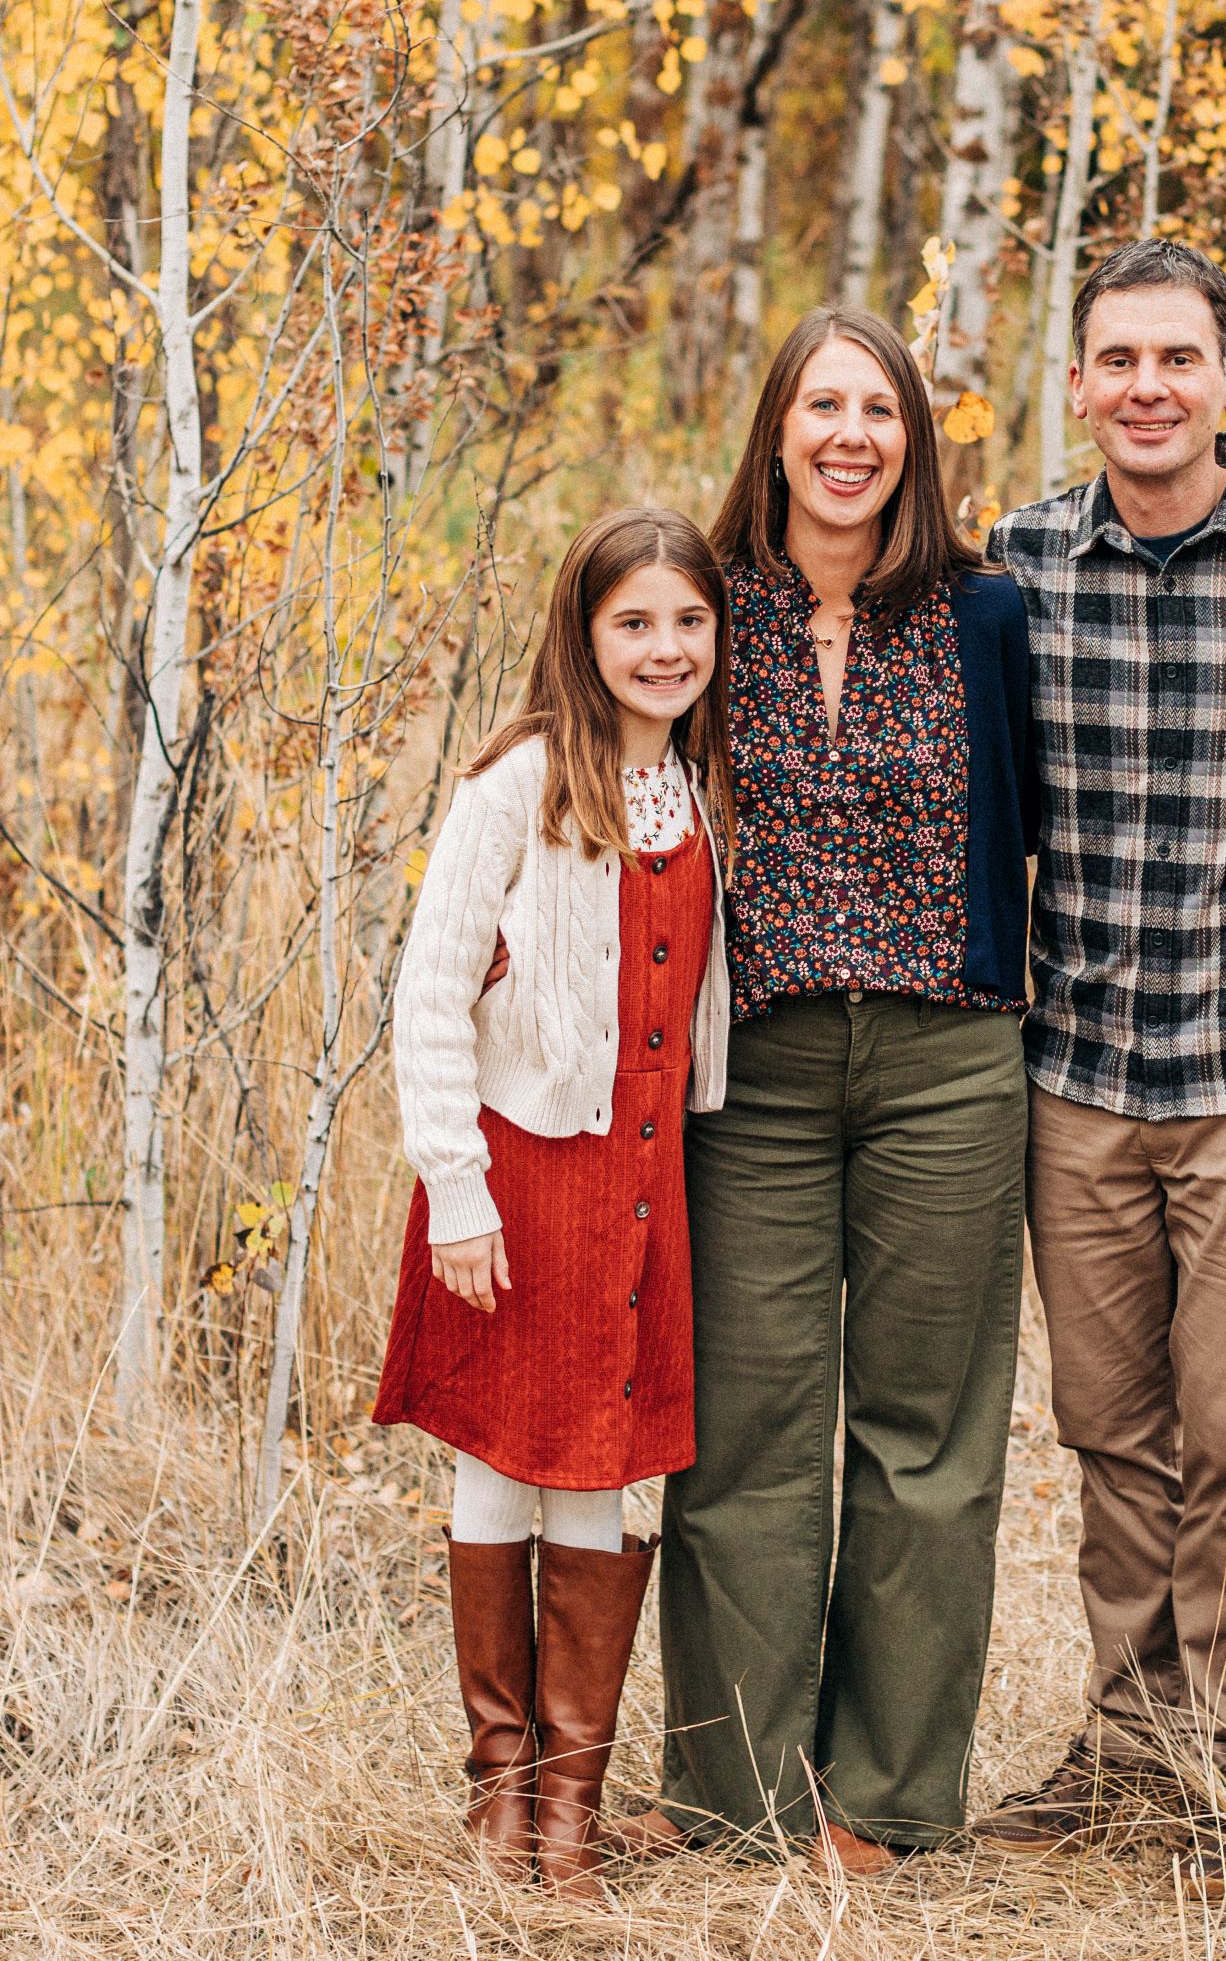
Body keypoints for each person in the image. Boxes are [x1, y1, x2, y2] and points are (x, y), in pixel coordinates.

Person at [607, 306, 1042, 1876]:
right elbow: (605, 768)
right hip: (757, 1067)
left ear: (913, 436)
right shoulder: (709, 607)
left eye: (880, 408)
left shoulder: (985, 611)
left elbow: (1039, 817)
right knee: (744, 1429)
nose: (851, 435)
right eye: (822, 405)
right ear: (777, 430)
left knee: (929, 1435)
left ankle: (889, 1800)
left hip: (948, 1059)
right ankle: (734, 1792)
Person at [976, 239, 1226, 1896]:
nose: (1149, 387)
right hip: (1076, 1071)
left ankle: (1223, 1767)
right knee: (1110, 1430)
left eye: (1178, 357)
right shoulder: (1017, 564)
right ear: (1079, 384)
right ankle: (1124, 1748)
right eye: (1119, 360)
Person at [371, 507, 737, 1897]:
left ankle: (572, 1808)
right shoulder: (517, 782)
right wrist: (455, 1189)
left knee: (602, 1466)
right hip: (521, 1172)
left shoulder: (698, 790)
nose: (664, 647)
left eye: (689, 621)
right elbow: (430, 993)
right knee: (503, 1458)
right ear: (584, 635)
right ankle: (501, 1793)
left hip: (641, 1179)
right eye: (634, 622)